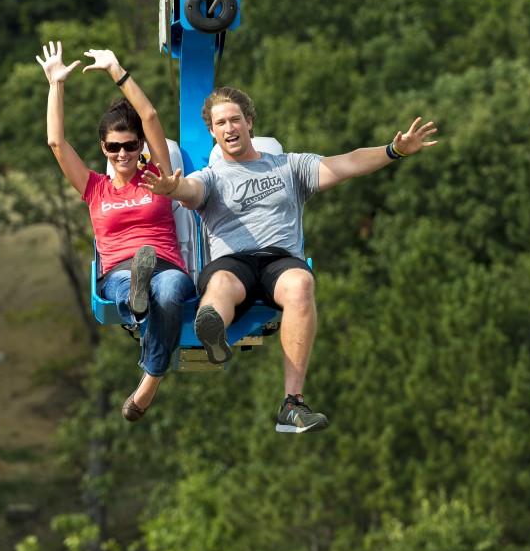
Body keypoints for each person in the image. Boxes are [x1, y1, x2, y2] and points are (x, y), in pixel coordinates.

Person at [141, 86, 438, 434]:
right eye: (220, 123)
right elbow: (190, 191)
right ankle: (212, 330)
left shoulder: (289, 166)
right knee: (221, 283)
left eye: (235, 119)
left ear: (249, 122)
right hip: (233, 262)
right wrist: (171, 189)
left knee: (301, 283)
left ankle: (292, 404)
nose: (229, 128)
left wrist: (394, 150)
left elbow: (348, 163)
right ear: (212, 131)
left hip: (279, 261)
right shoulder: (211, 177)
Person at [37, 40, 196, 423]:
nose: (122, 155)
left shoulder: (155, 176)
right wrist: (55, 85)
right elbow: (56, 143)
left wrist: (117, 72)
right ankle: (139, 320)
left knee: (171, 289)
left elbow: (152, 116)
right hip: (118, 271)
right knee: (131, 287)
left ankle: (147, 357)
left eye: (129, 145)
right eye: (113, 147)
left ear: (140, 145)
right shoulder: (94, 188)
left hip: (165, 265)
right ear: (103, 147)